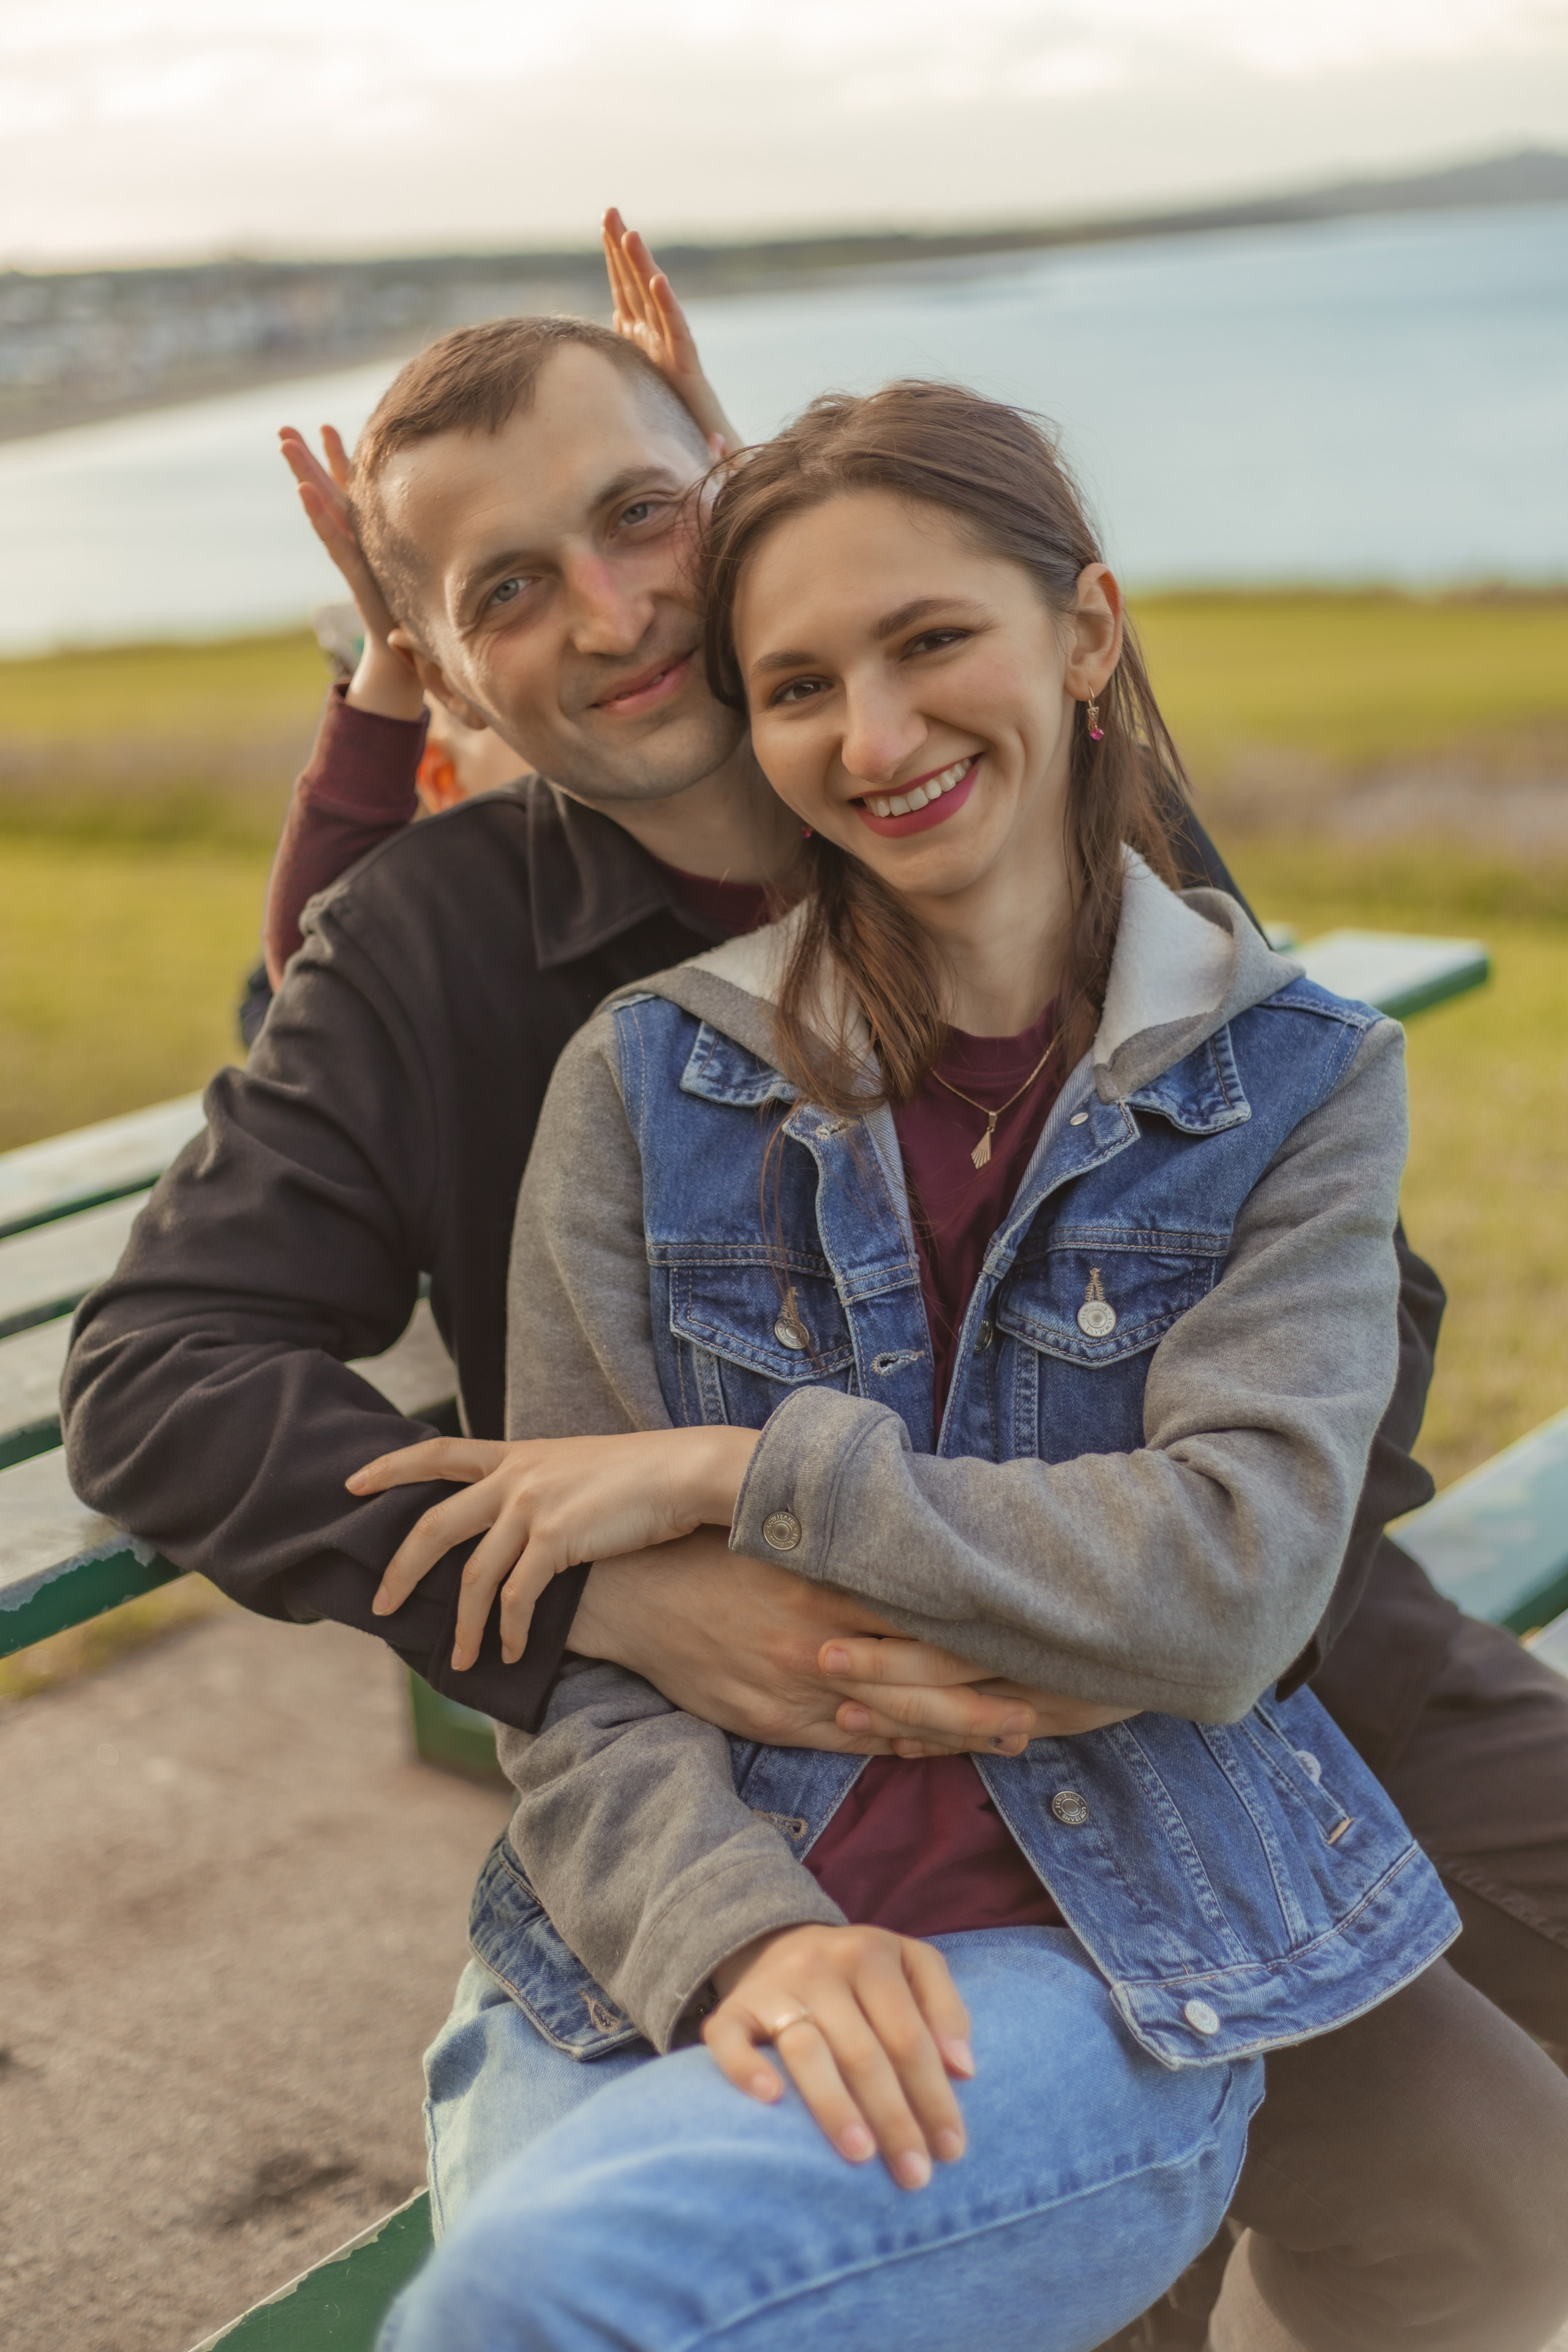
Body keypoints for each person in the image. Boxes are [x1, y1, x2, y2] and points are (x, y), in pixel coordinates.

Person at [58, 244, 1568, 2346]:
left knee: (1496, 2139)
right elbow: (156, 1380)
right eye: (503, 593)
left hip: (1229, 1649)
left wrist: (1140, 1574)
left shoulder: (1013, 802)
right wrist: (607, 1588)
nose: (613, 611)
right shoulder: (468, 967)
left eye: (646, 517)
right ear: (444, 680)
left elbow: (1336, 1274)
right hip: (769, 1761)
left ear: (736, 488)